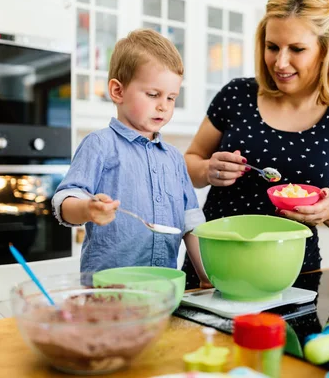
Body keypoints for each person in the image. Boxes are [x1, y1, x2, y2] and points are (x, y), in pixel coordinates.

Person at [181, 0, 329, 289]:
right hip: (211, 267)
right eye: (273, 47)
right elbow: (189, 164)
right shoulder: (236, 95)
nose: (280, 63)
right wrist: (208, 169)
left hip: (293, 275)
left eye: (297, 49)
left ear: (325, 49)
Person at [52, 29, 210, 287]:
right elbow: (65, 201)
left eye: (171, 97)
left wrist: (207, 277)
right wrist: (88, 209)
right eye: (153, 95)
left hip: (162, 290)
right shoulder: (100, 145)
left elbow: (190, 224)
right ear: (117, 91)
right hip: (107, 294)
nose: (164, 106)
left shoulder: (173, 158)